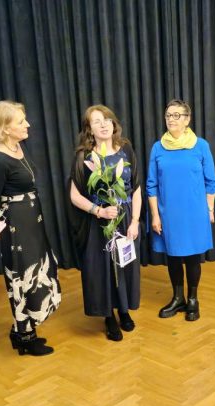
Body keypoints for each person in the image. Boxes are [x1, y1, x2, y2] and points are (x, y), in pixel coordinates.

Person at [0, 101, 61, 356]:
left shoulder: (16, 147)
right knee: (21, 277)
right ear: (5, 128)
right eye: (20, 121)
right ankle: (25, 338)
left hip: (31, 223)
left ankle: (23, 330)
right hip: (16, 228)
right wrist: (0, 231)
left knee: (36, 274)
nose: (27, 124)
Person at [69, 105, 142, 341]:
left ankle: (124, 310)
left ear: (113, 123)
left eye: (106, 119)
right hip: (99, 223)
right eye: (96, 121)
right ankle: (109, 315)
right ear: (89, 129)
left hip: (125, 219)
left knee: (124, 266)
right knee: (104, 269)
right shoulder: (85, 156)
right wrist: (99, 211)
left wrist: (135, 221)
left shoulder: (126, 149)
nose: (103, 125)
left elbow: (136, 188)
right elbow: (74, 195)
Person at [147, 99, 215, 321]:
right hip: (168, 213)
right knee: (174, 256)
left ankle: (193, 299)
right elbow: (151, 185)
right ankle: (178, 298)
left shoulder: (201, 145)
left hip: (195, 212)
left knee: (193, 257)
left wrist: (210, 209)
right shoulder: (157, 147)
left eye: (177, 115)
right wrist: (155, 216)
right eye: (168, 115)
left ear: (187, 119)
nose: (171, 119)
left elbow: (211, 182)